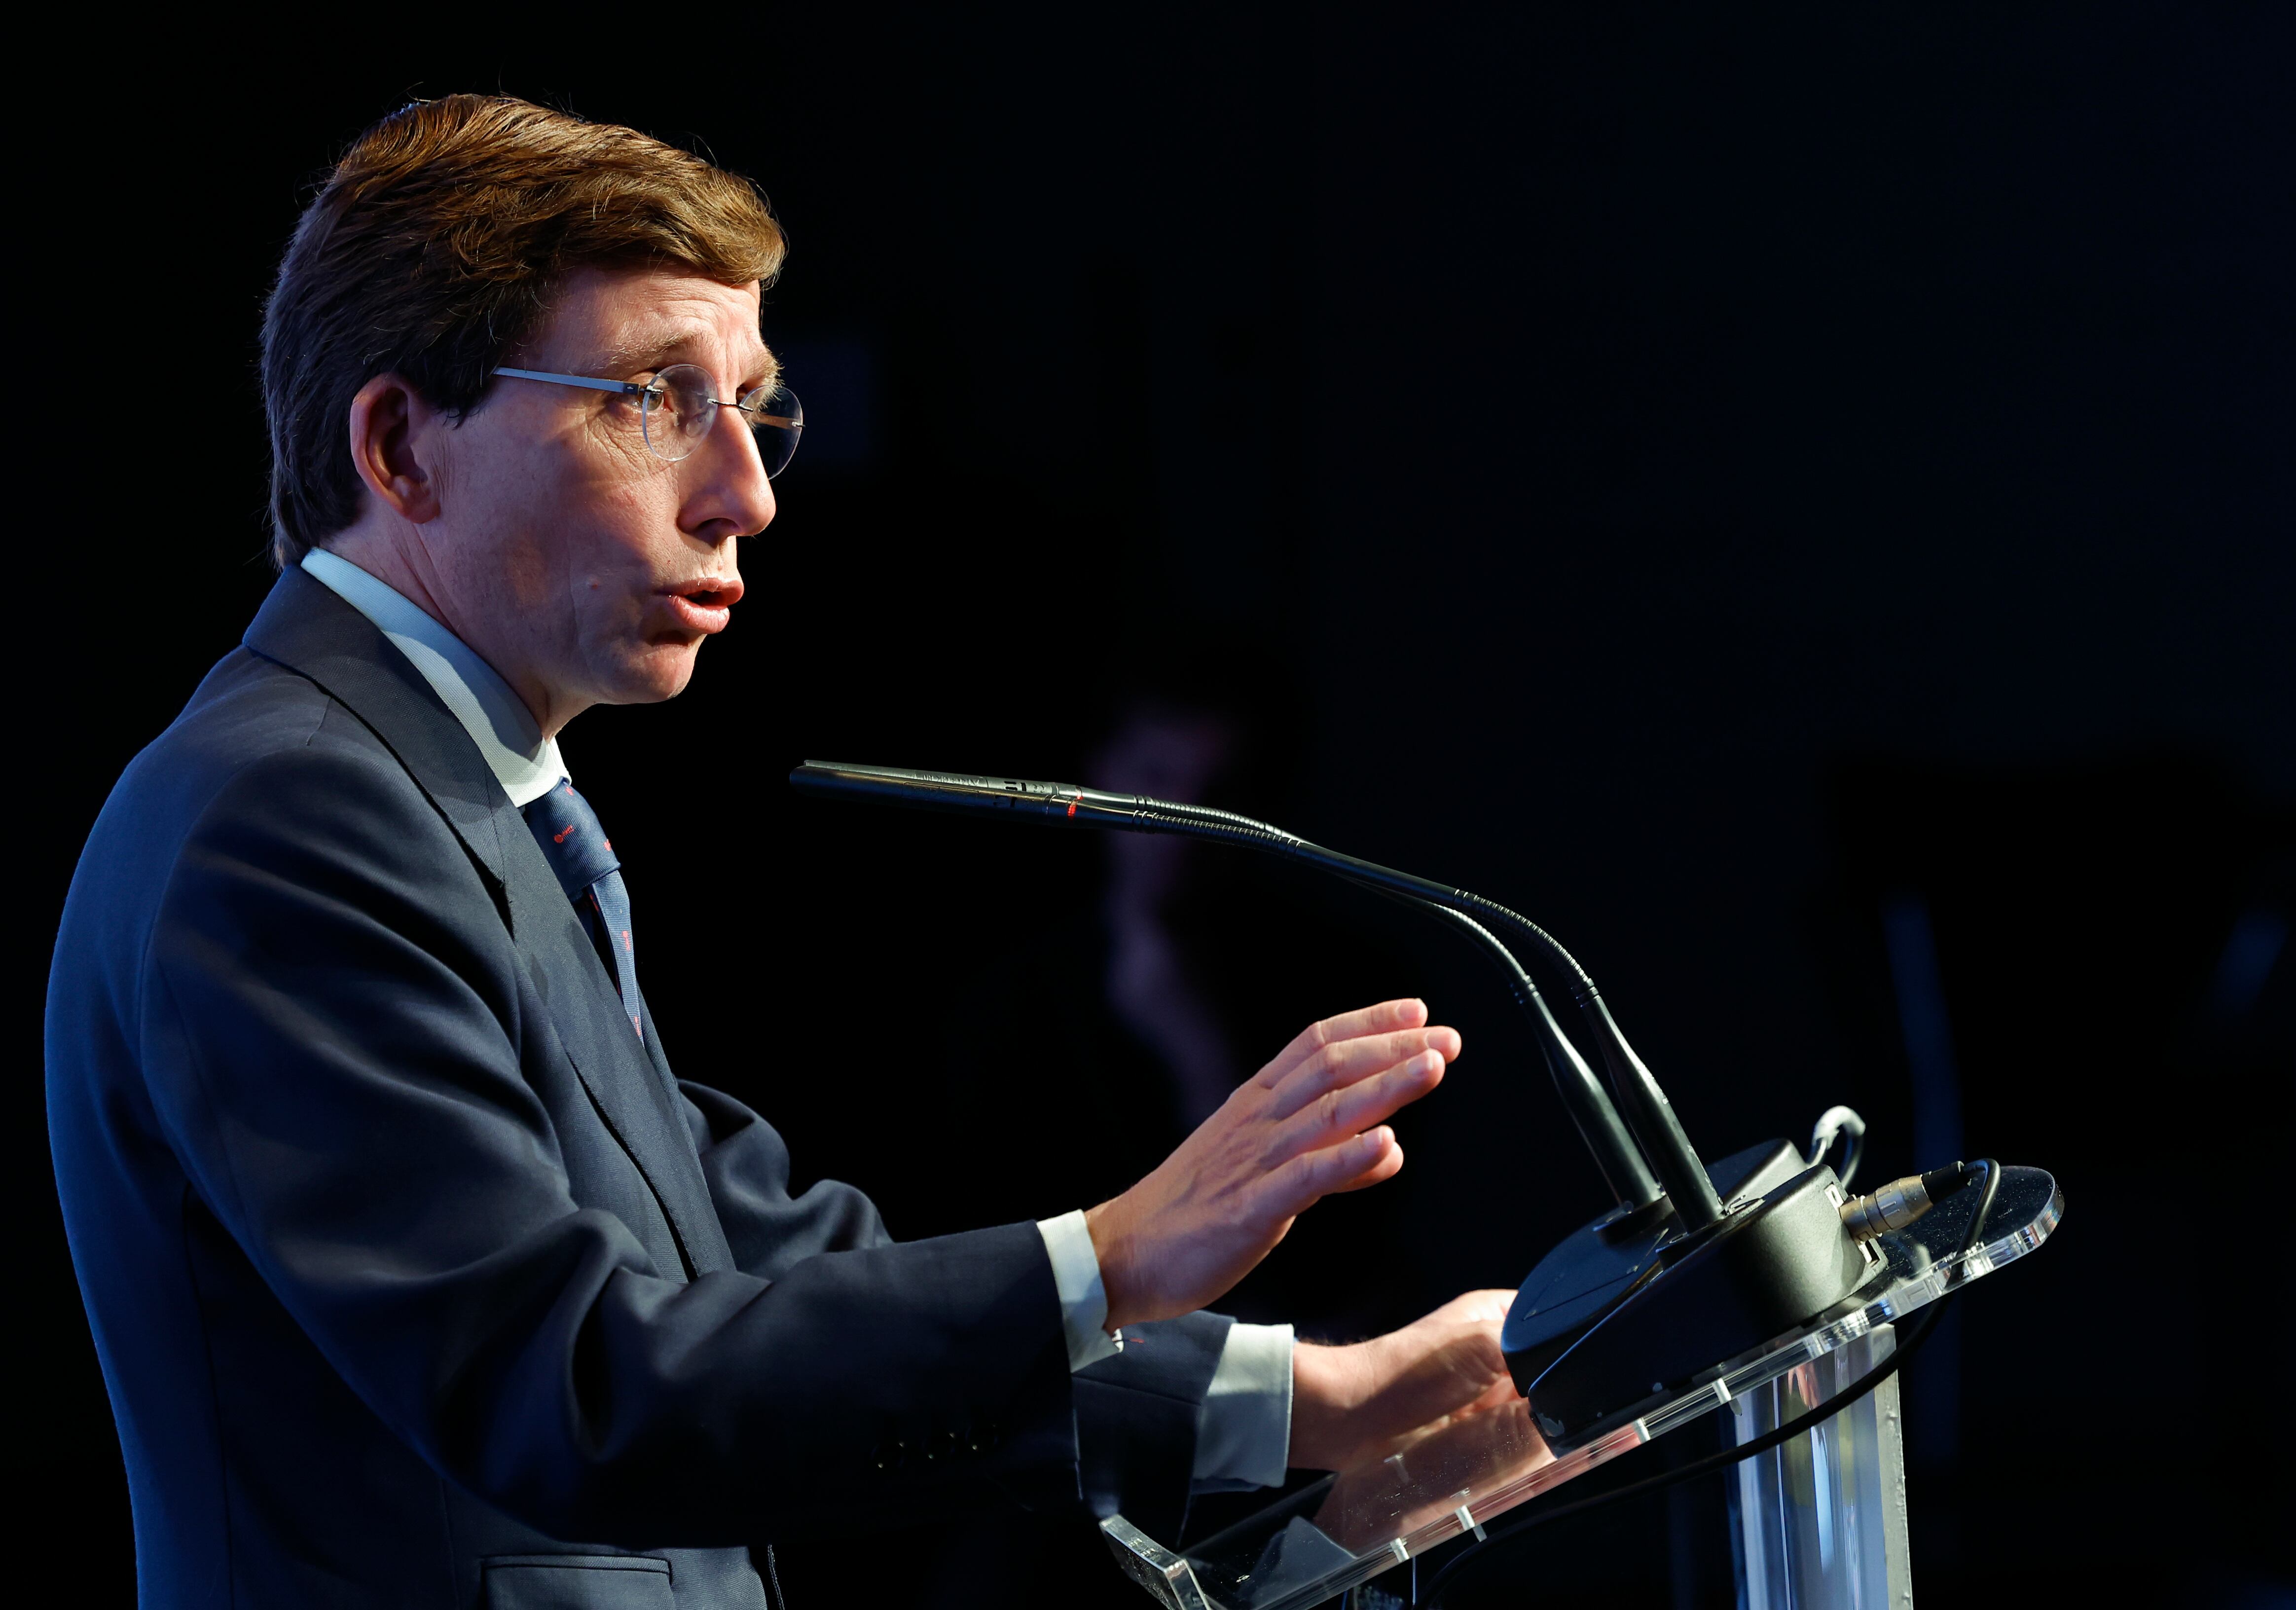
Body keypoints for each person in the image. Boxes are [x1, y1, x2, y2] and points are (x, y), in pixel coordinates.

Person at [44, 96, 1513, 1610]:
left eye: (756, 408)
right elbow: (574, 1386)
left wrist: (1315, 1398)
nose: (745, 494)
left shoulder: (446, 794)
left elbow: (755, 1277)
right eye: (654, 400)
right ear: (403, 446)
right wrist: (1115, 1251)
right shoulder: (284, 817)